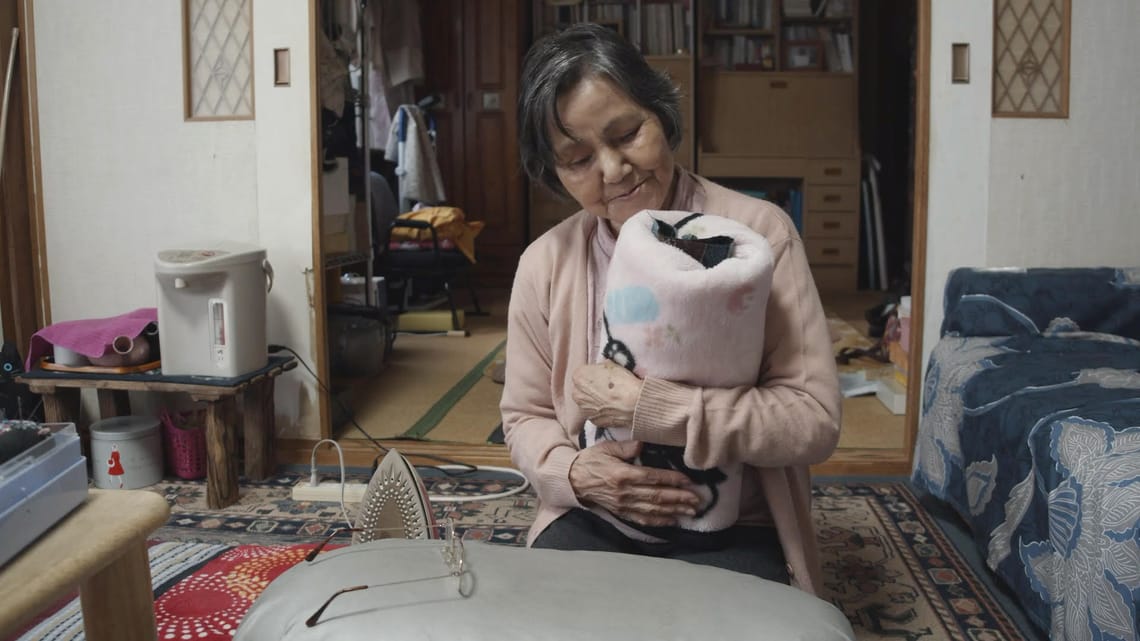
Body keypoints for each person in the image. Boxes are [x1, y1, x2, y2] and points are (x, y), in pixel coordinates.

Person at [501, 23, 841, 595]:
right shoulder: (545, 263)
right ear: (554, 173)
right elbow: (525, 417)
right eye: (578, 158)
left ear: (662, 113)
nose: (613, 170)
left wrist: (656, 408)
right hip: (595, 516)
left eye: (628, 133)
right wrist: (577, 473)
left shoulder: (759, 237)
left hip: (736, 525)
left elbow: (812, 420)